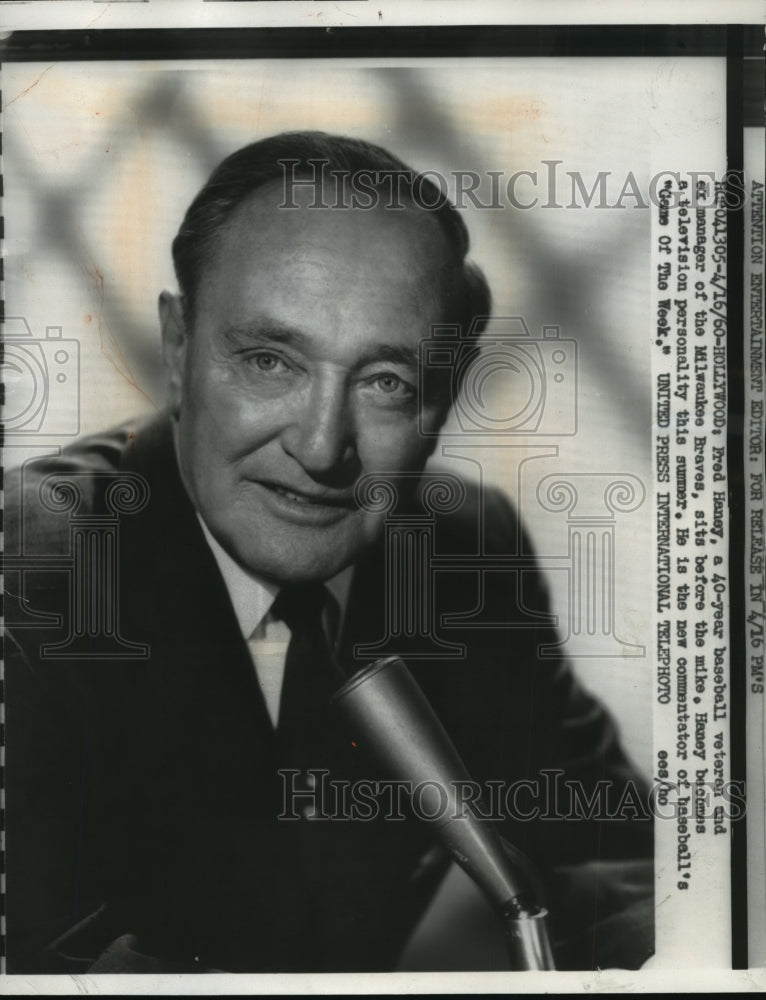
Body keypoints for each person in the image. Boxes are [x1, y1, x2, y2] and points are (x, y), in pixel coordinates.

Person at [4, 131, 654, 974]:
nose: (320, 449)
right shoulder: (36, 581)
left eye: (385, 381)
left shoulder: (463, 553)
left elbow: (618, 866)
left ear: (441, 401)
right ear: (177, 350)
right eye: (270, 361)